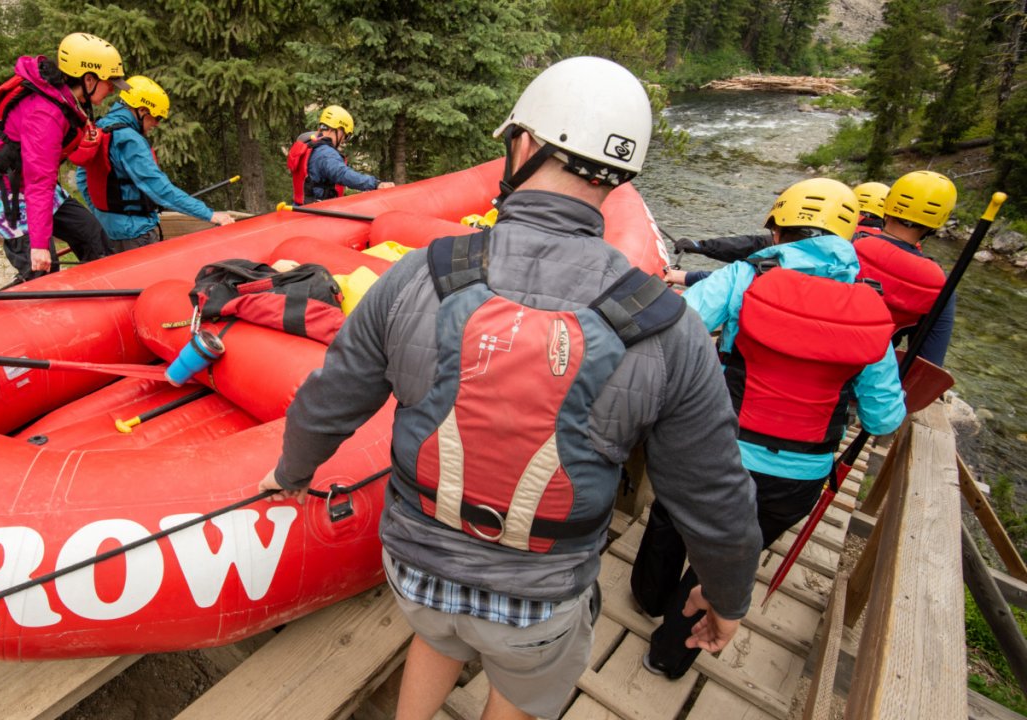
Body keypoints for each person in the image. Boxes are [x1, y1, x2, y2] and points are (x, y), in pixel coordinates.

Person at [260, 57, 762, 720]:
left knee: (436, 631)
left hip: (416, 568)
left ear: (523, 146)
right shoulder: (668, 329)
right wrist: (726, 597)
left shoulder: (418, 274)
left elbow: (330, 399)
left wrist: (291, 471)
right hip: (540, 601)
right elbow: (715, 495)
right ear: (624, 177)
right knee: (523, 681)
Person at [632, 178, 906, 680]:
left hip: (714, 452)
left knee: (671, 520)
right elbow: (884, 418)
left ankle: (648, 597)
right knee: (731, 561)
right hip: (798, 476)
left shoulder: (745, 276)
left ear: (777, 232)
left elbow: (675, 329)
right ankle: (669, 655)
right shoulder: (869, 309)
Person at [0, 32, 127, 282]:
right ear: (89, 79)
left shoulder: (66, 98)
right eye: (109, 82)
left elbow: (64, 159)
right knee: (42, 268)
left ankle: (100, 298)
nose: (111, 89)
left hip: (28, 179)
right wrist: (39, 244)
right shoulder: (45, 115)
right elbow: (39, 180)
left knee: (91, 235)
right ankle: (37, 307)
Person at [72, 75, 234, 252]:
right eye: (157, 117)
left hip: (109, 232)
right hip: (136, 235)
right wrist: (210, 215)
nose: (156, 124)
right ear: (142, 110)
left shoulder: (99, 127)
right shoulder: (130, 140)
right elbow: (159, 189)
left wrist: (101, 214)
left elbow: (82, 178)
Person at [853, 170, 956, 366]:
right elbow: (928, 362)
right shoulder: (939, 286)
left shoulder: (847, 247)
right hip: (872, 375)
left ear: (888, 203)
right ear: (938, 222)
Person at [287, 105, 394, 205]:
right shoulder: (325, 153)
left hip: (300, 208)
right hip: (315, 214)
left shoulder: (310, 145)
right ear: (338, 129)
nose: (343, 141)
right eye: (346, 136)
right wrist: (376, 184)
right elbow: (342, 174)